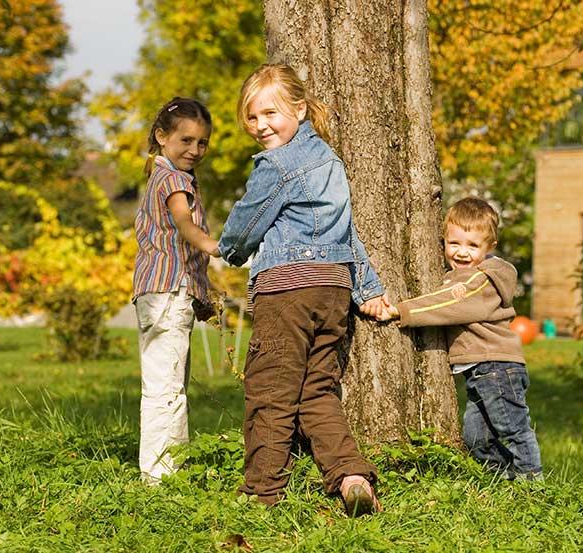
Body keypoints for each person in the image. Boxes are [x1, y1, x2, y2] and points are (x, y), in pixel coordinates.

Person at [218, 64, 386, 516]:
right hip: (332, 289)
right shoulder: (330, 160)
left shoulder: (276, 165)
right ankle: (352, 475)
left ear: (299, 108)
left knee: (271, 390)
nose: (260, 126)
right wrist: (367, 288)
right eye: (251, 118)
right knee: (316, 391)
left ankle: (262, 492)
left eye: (270, 113)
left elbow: (246, 223)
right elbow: (349, 233)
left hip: (286, 291)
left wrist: (227, 250)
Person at [379, 197, 543, 481]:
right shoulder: (462, 277)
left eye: (473, 245)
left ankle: (533, 481)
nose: (462, 253)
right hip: (479, 371)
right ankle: (505, 479)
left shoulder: (481, 281)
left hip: (497, 367)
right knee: (476, 438)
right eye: (454, 243)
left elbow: (447, 305)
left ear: (489, 247)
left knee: (512, 428)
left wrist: (401, 310)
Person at [132, 97, 220, 485]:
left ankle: (167, 467)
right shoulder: (173, 180)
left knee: (168, 383)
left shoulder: (161, 174)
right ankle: (161, 475)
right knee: (165, 389)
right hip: (166, 294)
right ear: (161, 135)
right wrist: (218, 246)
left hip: (161, 293)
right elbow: (184, 225)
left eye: (202, 142)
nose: (195, 150)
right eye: (186, 140)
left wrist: (205, 289)